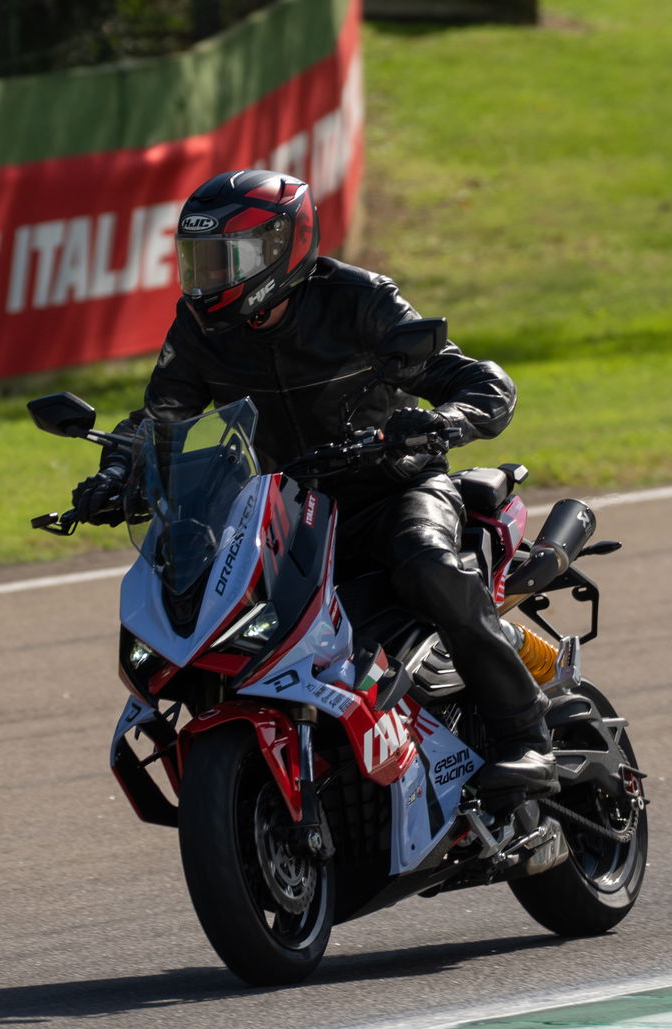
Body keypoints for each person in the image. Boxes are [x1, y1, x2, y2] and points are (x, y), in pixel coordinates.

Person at [70, 169, 565, 792]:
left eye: (226, 259)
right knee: (216, 619)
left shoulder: (359, 299)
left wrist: (441, 424)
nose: (208, 277)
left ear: (283, 246)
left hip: (393, 491)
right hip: (284, 513)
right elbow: (159, 419)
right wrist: (118, 472)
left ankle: (526, 736)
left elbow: (481, 382)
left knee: (428, 565)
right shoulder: (200, 327)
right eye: (199, 260)